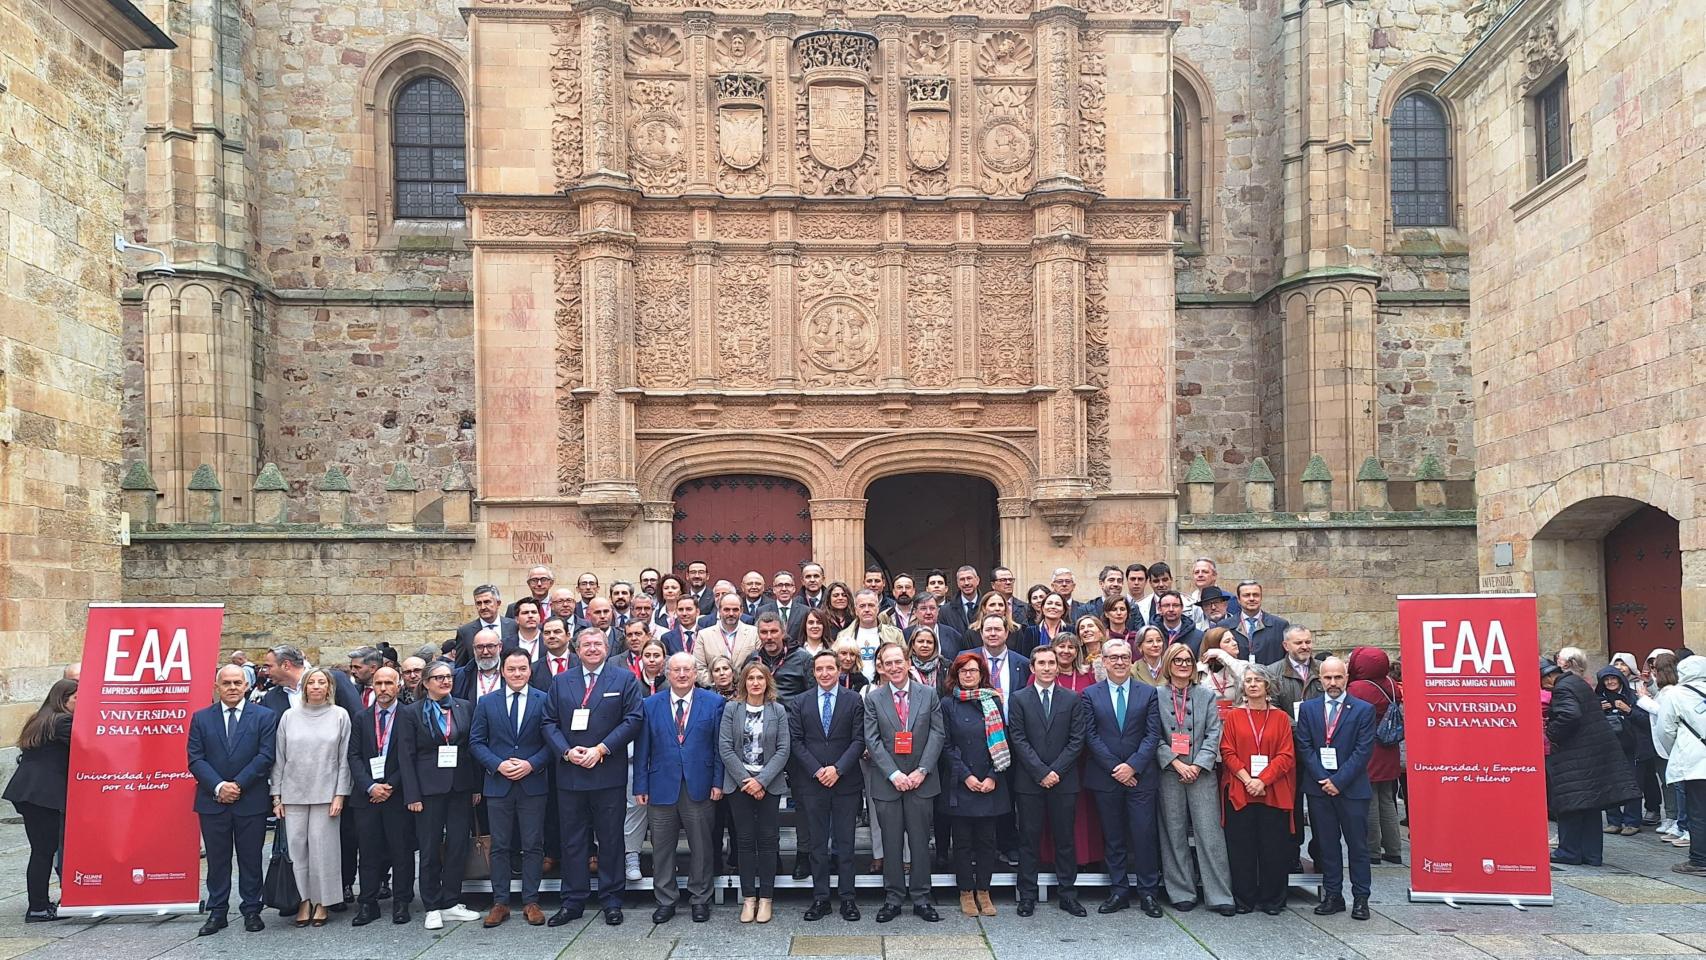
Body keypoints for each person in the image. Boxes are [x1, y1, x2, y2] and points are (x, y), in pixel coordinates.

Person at [543, 628, 644, 927]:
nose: (591, 648)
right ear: (576, 648)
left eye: (597, 643)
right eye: (585, 644)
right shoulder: (561, 682)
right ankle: (573, 900)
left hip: (608, 771)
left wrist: (602, 749)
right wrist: (565, 752)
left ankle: (612, 899)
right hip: (571, 772)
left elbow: (633, 719)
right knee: (572, 840)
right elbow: (548, 722)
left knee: (611, 838)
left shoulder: (624, 679)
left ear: (608, 646)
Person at [634, 652, 725, 923]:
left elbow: (719, 748)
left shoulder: (714, 703)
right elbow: (642, 749)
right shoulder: (650, 704)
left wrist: (718, 782)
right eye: (676, 670)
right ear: (667, 673)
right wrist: (641, 783)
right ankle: (666, 899)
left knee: (702, 845)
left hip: (700, 784)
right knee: (662, 847)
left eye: (687, 670)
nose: (682, 674)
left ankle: (700, 898)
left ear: (696, 673)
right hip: (660, 785)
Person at [188, 665, 278, 936]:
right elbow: (195, 758)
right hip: (213, 801)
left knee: (251, 858)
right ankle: (217, 911)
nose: (232, 687)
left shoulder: (264, 717)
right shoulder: (201, 718)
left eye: (237, 682)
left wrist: (238, 785)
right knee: (217, 860)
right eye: (226, 683)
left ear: (246, 685)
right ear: (217, 686)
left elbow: (266, 755)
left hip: (249, 799)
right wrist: (219, 786)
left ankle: (252, 909)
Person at [864, 641, 946, 923]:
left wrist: (922, 770)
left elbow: (937, 735)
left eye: (899, 661)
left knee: (921, 841)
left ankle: (922, 897)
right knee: (891, 842)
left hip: (921, 780)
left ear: (908, 663)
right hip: (888, 782)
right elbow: (872, 740)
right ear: (882, 668)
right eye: (888, 663)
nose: (895, 667)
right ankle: (893, 897)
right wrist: (894, 774)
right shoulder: (874, 698)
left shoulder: (929, 693)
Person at [1082, 638, 1165, 917]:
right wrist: (1116, 769)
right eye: (1113, 657)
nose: (1119, 662)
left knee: (1143, 836)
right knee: (1114, 837)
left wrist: (1133, 767)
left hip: (1141, 777)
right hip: (1106, 778)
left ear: (1132, 660)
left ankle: (1148, 893)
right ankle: (1118, 891)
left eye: (1124, 657)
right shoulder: (1091, 694)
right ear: (1103, 662)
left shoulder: (1148, 693)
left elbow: (1153, 734)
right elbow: (1090, 736)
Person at [397, 659, 482, 930]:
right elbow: (406, 756)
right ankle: (432, 904)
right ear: (426, 683)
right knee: (431, 847)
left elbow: (472, 749)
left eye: (449, 677)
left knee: (458, 845)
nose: (445, 682)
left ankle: (451, 901)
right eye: (438, 678)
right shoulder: (412, 712)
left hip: (459, 786)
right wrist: (412, 794)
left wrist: (476, 786)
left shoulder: (464, 707)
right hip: (428, 788)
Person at [470, 649, 552, 927]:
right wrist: (497, 764)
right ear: (502, 671)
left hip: (533, 783)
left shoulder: (544, 700)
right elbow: (476, 742)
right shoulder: (486, 702)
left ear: (530, 671)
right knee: (500, 846)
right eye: (511, 669)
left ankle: (531, 901)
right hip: (498, 784)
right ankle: (500, 902)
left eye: (522, 669)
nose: (517, 674)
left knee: (532, 845)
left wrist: (531, 764)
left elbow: (552, 741)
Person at [1007, 644, 1087, 917]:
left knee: (1065, 839)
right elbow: (1017, 737)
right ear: (1032, 667)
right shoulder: (1018, 698)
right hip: (1030, 782)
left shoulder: (1072, 698)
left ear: (1058, 666)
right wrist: (1041, 771)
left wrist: (1056, 771)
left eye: (1051, 663)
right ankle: (1026, 895)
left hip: (1064, 781)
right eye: (1041, 663)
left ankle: (1068, 894)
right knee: (1029, 840)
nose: (1047, 668)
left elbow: (1077, 740)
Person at [1294, 656, 1376, 920]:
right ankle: (1333, 895)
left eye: (1338, 677)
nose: (1332, 683)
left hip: (1352, 789)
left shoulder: (1363, 710)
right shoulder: (1308, 709)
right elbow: (1304, 747)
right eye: (1327, 677)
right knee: (1327, 845)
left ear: (1347, 678)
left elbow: (1363, 751)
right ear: (1319, 679)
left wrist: (1338, 781)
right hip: (1319, 789)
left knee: (1357, 847)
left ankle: (1361, 898)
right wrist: (1323, 779)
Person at [271, 666, 353, 928]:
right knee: (296, 851)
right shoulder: (289, 716)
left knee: (324, 850)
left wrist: (341, 794)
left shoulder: (340, 716)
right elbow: (279, 758)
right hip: (293, 793)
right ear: (304, 687)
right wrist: (276, 796)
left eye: (322, 682)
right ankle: (302, 899)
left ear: (329, 687)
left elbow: (344, 760)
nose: (316, 687)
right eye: (311, 682)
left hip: (326, 794)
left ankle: (322, 901)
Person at [1155, 643, 1233, 915]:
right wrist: (1175, 763)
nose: (1183, 664)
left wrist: (1199, 765)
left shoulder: (1207, 696)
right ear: (1168, 664)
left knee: (1209, 833)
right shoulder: (1156, 696)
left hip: (1202, 773)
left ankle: (1220, 893)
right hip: (1169, 772)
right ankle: (1181, 890)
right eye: (1177, 660)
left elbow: (1215, 732)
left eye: (1188, 660)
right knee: (1173, 832)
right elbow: (1153, 735)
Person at [788, 649, 866, 921]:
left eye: (829, 668)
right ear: (813, 672)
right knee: (817, 845)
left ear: (839, 670)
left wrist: (838, 769)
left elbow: (859, 740)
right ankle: (820, 898)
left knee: (845, 844)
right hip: (812, 782)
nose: (824, 674)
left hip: (845, 782)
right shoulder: (800, 702)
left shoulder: (854, 700)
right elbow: (796, 741)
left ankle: (848, 899)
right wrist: (818, 770)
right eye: (819, 669)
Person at [1543, 653, 1640, 867]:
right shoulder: (1575, 681)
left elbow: (1570, 715)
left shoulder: (1562, 687)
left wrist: (1551, 731)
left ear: (1548, 677)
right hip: (1591, 753)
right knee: (1590, 806)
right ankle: (1591, 854)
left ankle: (1569, 851)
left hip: (1576, 756)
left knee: (1571, 804)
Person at [938, 652, 1009, 918]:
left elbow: (1002, 740)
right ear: (956, 675)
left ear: (982, 675)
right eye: (964, 671)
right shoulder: (947, 704)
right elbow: (946, 745)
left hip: (990, 779)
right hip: (961, 780)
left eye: (974, 671)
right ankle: (966, 892)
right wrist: (966, 776)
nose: (969, 675)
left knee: (987, 841)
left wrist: (992, 775)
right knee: (964, 842)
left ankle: (984, 890)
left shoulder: (992, 702)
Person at [1220, 667, 1296, 914]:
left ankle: (1272, 899)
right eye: (1248, 680)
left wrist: (1262, 781)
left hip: (1272, 790)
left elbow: (1286, 755)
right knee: (1241, 847)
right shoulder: (1233, 716)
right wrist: (1247, 779)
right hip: (1241, 789)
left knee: (1273, 847)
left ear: (1268, 686)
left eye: (1258, 680)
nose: (1253, 684)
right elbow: (1227, 751)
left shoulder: (1281, 718)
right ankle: (1244, 898)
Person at [720, 662, 792, 923]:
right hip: (739, 786)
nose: (755, 683)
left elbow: (784, 749)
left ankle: (766, 898)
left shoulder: (778, 710)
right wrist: (746, 781)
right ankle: (749, 898)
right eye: (750, 678)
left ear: (767, 682)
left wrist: (760, 781)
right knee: (745, 841)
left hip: (769, 785)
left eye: (760, 678)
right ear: (744, 682)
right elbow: (725, 748)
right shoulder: (732, 709)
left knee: (768, 840)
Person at [347, 666, 415, 926]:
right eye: (379, 683)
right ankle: (367, 902)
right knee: (368, 852)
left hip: (396, 796)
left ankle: (402, 902)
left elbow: (411, 756)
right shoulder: (361, 718)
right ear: (372, 686)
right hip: (367, 797)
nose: (384, 688)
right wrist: (369, 786)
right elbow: (353, 756)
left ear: (398, 686)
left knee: (401, 850)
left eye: (389, 683)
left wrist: (390, 786)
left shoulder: (409, 716)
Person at [5, 679, 75, 922]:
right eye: (76, 699)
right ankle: (37, 907)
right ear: (63, 700)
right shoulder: (64, 721)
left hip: (28, 791)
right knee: (43, 851)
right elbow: (85, 745)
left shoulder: (40, 718)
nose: (79, 703)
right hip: (42, 794)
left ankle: (40, 904)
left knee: (41, 850)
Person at [1347, 647, 1404, 865]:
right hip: (1388, 746)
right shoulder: (1390, 683)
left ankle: (1371, 849)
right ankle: (1393, 848)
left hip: (1368, 747)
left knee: (1368, 799)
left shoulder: (1358, 688)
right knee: (1387, 799)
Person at [1654, 655, 1706, 874]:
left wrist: (1674, 751)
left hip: (1694, 761)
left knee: (1698, 811)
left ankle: (1699, 859)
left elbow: (1665, 730)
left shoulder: (1675, 694)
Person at [1596, 664, 1646, 836]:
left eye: (1613, 678)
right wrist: (1597, 711)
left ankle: (1632, 821)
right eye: (1606, 680)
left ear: (1620, 679)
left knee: (1632, 783)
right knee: (1609, 784)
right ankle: (1614, 820)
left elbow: (1645, 720)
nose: (1610, 682)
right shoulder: (1597, 699)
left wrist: (1628, 710)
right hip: (1607, 748)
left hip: (1631, 747)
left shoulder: (1631, 696)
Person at [839, 589, 905, 681]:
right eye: (862, 606)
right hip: (853, 687)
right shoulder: (843, 636)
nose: (867, 610)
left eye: (871, 605)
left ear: (878, 608)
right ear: (856, 610)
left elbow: (904, 663)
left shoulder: (895, 634)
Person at [694, 593, 759, 686]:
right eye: (727, 610)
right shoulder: (704, 635)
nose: (731, 613)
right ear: (719, 611)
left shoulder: (754, 633)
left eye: (735, 610)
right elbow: (699, 667)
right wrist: (717, 685)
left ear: (741, 611)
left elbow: (758, 666)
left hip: (746, 692)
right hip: (714, 692)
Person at [1198, 626, 1249, 702]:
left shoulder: (1243, 665)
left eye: (1234, 639)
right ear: (1215, 646)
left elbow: (1245, 679)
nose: (1235, 643)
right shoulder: (1199, 670)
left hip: (1236, 710)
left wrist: (1222, 655)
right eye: (1227, 641)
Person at [908, 626, 952, 696]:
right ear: (913, 644)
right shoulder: (906, 666)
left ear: (935, 645)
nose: (925, 645)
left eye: (929, 642)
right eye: (920, 641)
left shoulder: (946, 666)